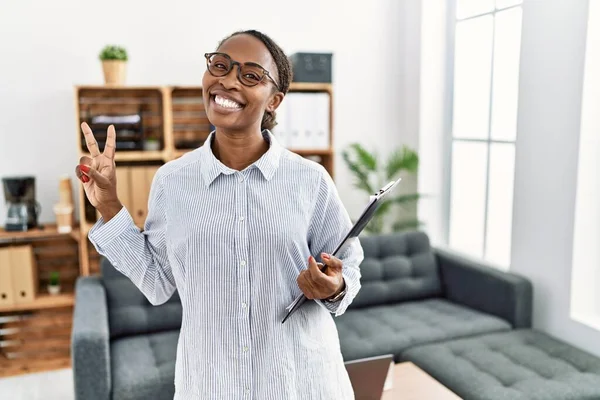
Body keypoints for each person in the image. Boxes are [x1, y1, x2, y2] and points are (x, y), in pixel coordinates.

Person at [75, 29, 364, 400]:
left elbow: (347, 265)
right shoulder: (172, 181)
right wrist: (109, 205)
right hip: (212, 383)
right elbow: (158, 282)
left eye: (250, 75)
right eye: (220, 65)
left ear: (274, 99)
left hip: (299, 382)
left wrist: (334, 286)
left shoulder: (310, 180)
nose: (227, 81)